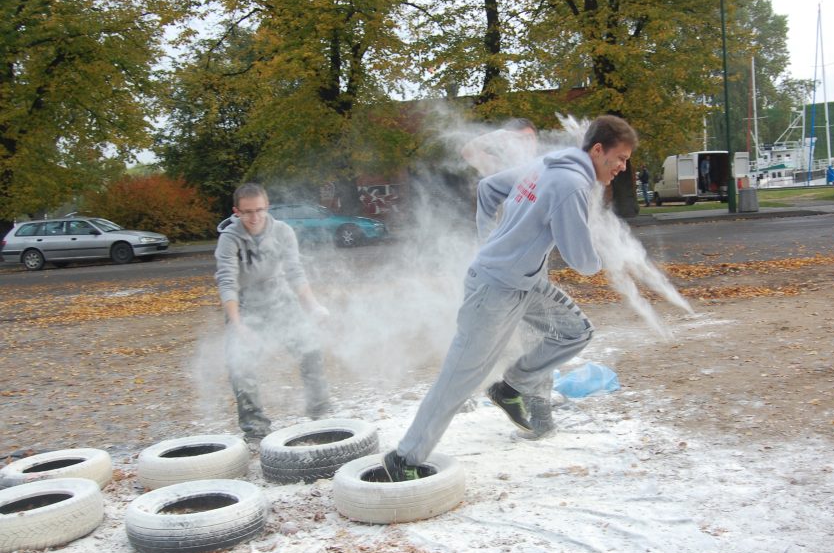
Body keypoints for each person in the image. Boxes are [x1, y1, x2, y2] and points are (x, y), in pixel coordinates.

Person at [382, 115, 638, 481]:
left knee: (575, 331)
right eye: (620, 158)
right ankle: (404, 460)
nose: (622, 167)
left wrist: (490, 242)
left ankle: (511, 386)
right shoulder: (571, 184)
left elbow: (488, 189)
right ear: (598, 150)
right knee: (460, 378)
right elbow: (582, 262)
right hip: (496, 290)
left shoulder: (546, 165)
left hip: (524, 283)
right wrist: (600, 255)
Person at [214, 183, 332, 441]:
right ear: (236, 211)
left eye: (259, 210)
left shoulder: (282, 232)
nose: (254, 217)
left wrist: (313, 307)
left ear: (267, 207)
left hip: (281, 300)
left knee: (310, 350)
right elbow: (227, 281)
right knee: (240, 365)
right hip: (245, 306)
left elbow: (295, 272)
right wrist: (238, 325)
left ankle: (321, 413)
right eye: (247, 212)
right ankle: (255, 430)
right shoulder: (229, 239)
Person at [460, 118, 538, 178]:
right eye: (518, 139)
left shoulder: (545, 164)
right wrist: (496, 135)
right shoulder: (498, 166)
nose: (525, 143)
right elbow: (468, 152)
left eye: (529, 138)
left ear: (536, 140)